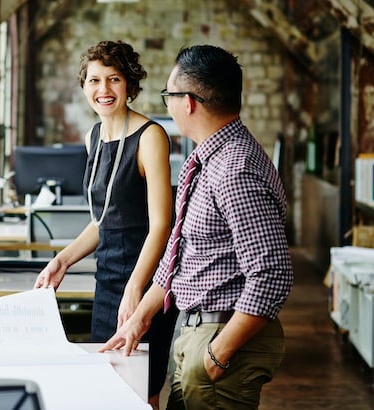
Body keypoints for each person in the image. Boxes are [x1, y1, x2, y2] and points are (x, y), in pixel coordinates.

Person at [99, 45, 294, 410]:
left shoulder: (235, 168)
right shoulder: (208, 159)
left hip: (221, 338)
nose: (168, 105)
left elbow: (272, 274)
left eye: (168, 95)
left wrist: (217, 355)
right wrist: (139, 318)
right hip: (197, 332)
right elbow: (181, 254)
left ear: (187, 102)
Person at [33, 40, 177, 409]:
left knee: (143, 391)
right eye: (95, 80)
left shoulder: (150, 137)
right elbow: (103, 221)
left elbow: (162, 225)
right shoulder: (93, 137)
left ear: (129, 84)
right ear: (84, 87)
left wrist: (136, 289)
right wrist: (63, 260)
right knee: (108, 387)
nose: (104, 89)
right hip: (107, 281)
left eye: (114, 79)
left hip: (146, 281)